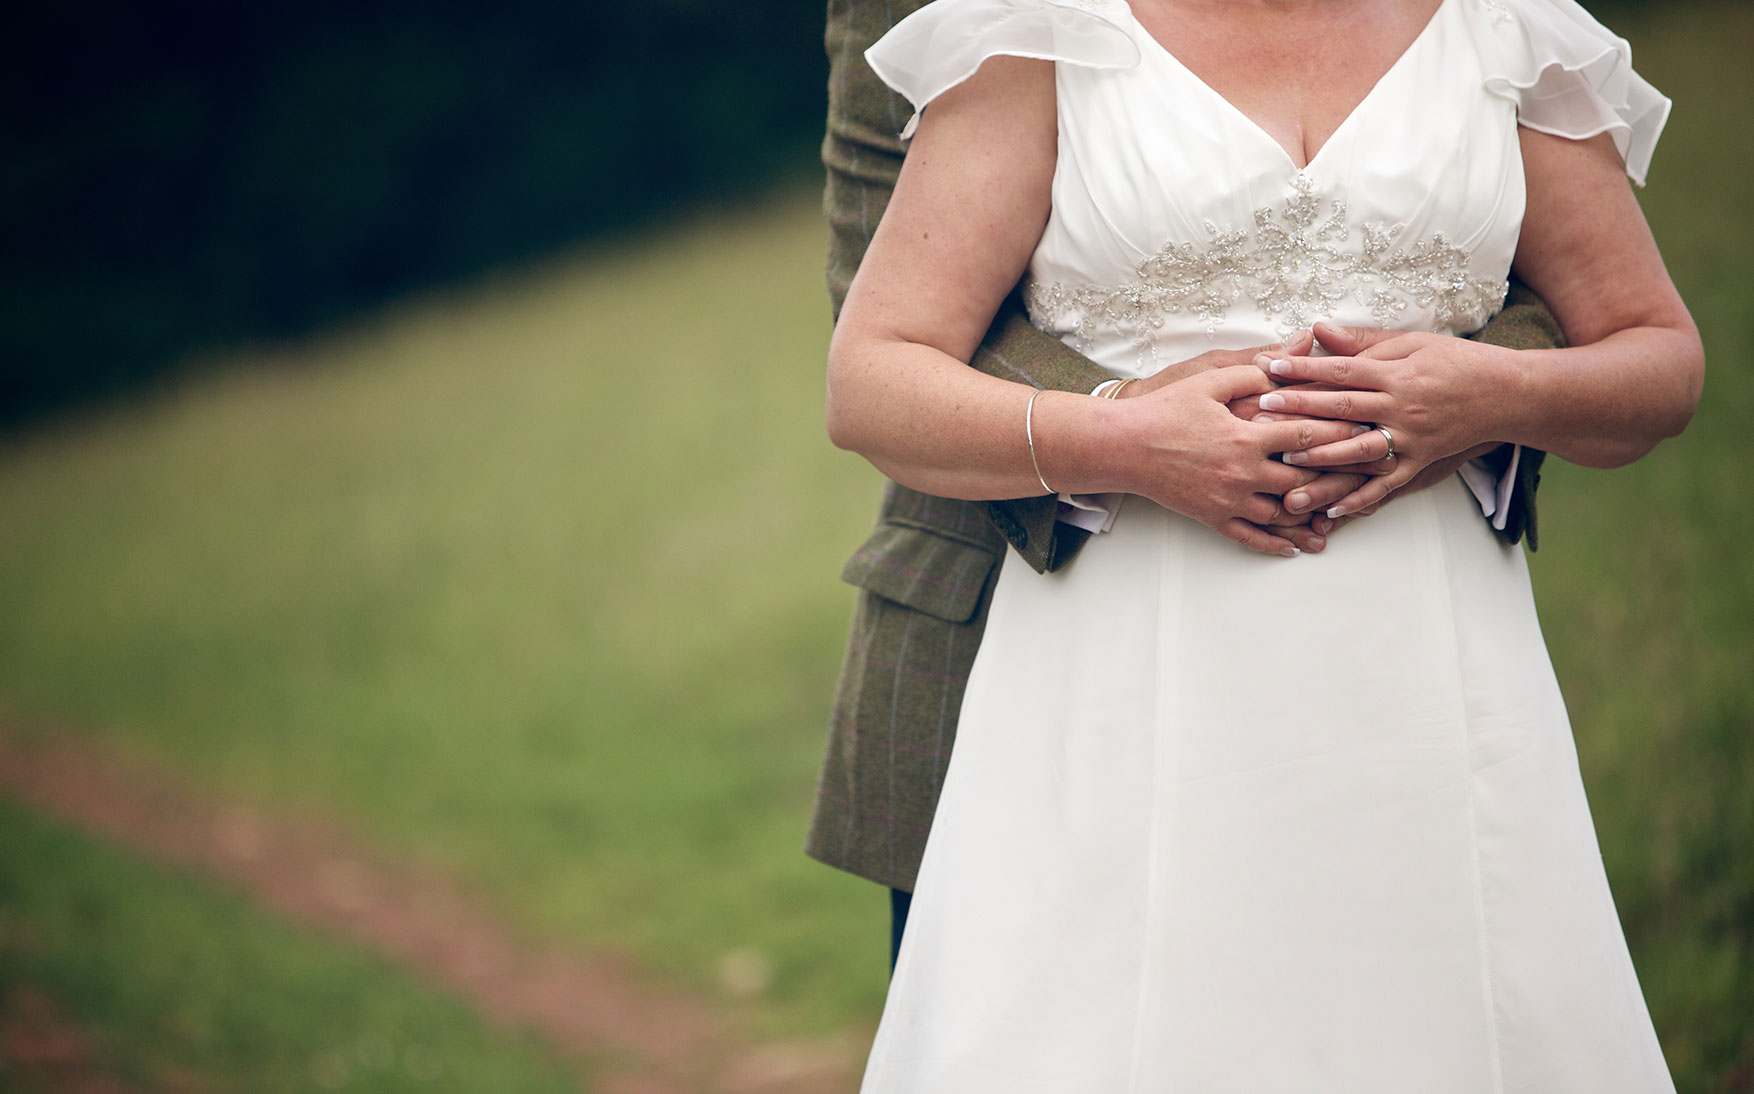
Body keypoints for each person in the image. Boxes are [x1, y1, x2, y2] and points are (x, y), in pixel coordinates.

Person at [826, 0, 1703, 1088]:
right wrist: (1122, 437)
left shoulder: (1507, 29)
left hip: (1433, 682)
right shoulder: (1034, 32)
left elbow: (1658, 356)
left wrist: (1492, 392)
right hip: (1132, 666)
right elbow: (868, 377)